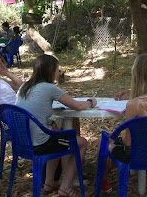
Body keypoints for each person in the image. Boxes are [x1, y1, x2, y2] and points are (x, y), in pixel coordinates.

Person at [16, 54, 97, 197]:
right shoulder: (49, 88)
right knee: (81, 143)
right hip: (40, 143)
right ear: (50, 70)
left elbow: (33, 111)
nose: (58, 73)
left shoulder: (23, 87)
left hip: (23, 142)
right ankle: (65, 187)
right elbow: (77, 106)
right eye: (57, 70)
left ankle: (49, 183)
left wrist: (50, 122)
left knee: (55, 136)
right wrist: (91, 102)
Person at [101, 54, 147, 192]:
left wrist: (117, 140)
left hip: (136, 155)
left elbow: (128, 142)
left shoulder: (135, 104)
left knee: (106, 141)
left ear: (136, 74)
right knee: (116, 141)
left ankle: (101, 180)